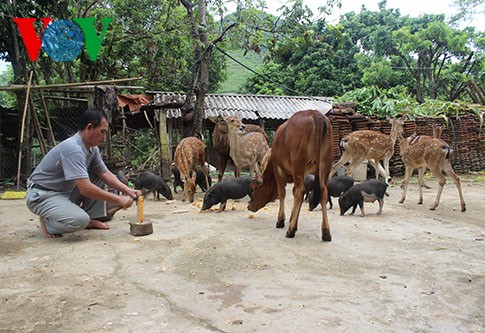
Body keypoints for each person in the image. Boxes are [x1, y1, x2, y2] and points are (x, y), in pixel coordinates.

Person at [26, 108, 139, 238]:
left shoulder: (92, 149)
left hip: (64, 192)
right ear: (89, 127)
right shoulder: (73, 148)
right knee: (79, 221)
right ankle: (49, 222)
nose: (104, 137)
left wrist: (128, 190)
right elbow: (85, 189)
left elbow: (105, 174)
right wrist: (119, 199)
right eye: (102, 132)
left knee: (97, 175)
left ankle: (89, 218)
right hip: (42, 195)